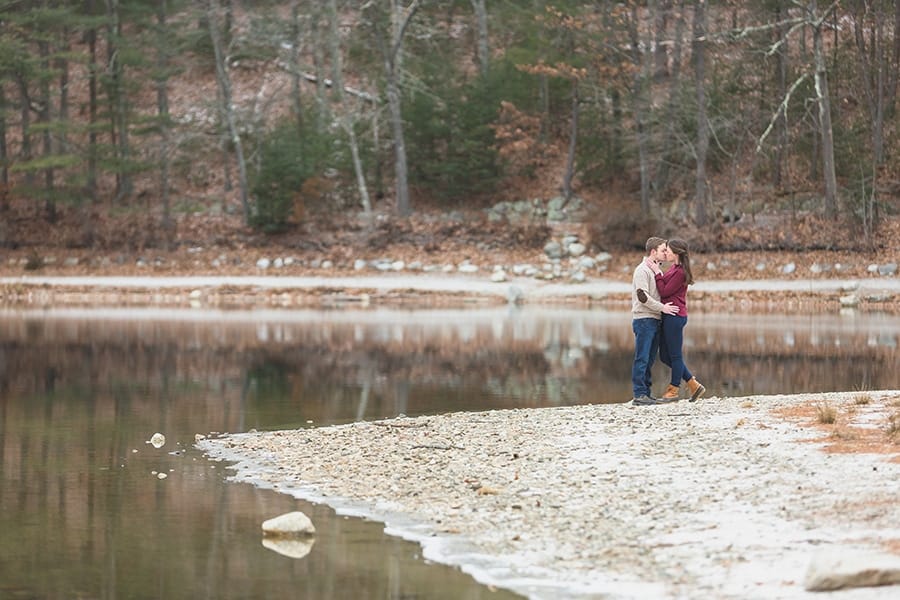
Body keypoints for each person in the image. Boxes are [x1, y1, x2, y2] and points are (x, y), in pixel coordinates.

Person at [647, 238, 706, 402]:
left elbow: (665, 291)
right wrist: (659, 273)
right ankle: (693, 385)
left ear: (677, 253)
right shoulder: (674, 268)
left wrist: (657, 273)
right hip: (668, 315)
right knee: (665, 356)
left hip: (675, 316)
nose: (666, 253)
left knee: (675, 355)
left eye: (669, 250)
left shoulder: (680, 272)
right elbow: (665, 285)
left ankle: (673, 390)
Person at [631, 237, 680, 406]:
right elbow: (642, 297)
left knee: (650, 359)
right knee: (642, 358)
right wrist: (663, 308)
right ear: (653, 252)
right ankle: (639, 394)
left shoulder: (656, 270)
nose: (666, 253)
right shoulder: (642, 270)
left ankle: (646, 394)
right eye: (663, 250)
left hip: (654, 320)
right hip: (644, 319)